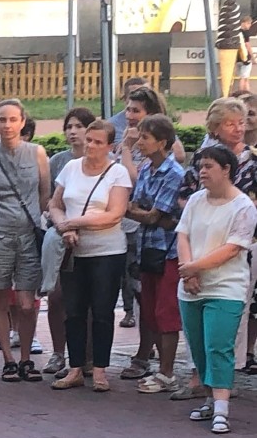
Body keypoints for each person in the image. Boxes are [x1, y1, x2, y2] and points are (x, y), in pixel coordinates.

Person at [177, 96, 257, 398]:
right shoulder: (203, 157)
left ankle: (226, 376)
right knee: (197, 319)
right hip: (198, 241)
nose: (239, 128)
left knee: (234, 309)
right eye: (230, 123)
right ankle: (200, 376)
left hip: (239, 242)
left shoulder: (253, 160)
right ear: (215, 126)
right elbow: (184, 196)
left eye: (242, 122)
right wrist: (190, 270)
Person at [49, 120, 133, 393]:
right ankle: (75, 368)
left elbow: (114, 214)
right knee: (73, 310)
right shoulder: (71, 167)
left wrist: (75, 224)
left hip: (106, 252)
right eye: (88, 140)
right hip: (74, 251)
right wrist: (64, 226)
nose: (91, 146)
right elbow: (55, 204)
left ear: (110, 146)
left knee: (102, 311)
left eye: (98, 142)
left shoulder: (117, 173)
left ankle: (99, 369)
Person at [0, 99, 50, 383]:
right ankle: (8, 359)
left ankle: (26, 358)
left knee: (26, 301)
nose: (7, 125)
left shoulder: (37, 153)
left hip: (29, 235)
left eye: (12, 119)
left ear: (22, 122)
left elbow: (45, 194)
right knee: (0, 296)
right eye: (2, 120)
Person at [123, 115, 185, 394]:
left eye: (146, 137)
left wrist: (147, 215)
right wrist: (147, 215)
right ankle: (162, 368)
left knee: (166, 310)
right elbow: (136, 208)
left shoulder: (174, 174)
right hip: (149, 248)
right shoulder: (146, 168)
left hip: (169, 251)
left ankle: (167, 372)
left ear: (162, 142)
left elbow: (152, 215)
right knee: (149, 310)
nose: (140, 142)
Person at [43, 107, 96, 375]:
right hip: (61, 235)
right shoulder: (58, 161)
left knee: (86, 300)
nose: (73, 131)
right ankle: (57, 352)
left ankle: (86, 355)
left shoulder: (102, 162)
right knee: (57, 296)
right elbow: (51, 200)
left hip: (93, 237)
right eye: (69, 126)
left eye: (79, 126)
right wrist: (63, 226)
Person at [110, 77, 148, 147]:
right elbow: (118, 149)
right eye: (135, 94)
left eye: (145, 94)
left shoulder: (161, 124)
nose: (139, 97)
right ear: (125, 99)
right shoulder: (113, 125)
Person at [236, 16, 253, 93]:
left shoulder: (236, 32)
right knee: (244, 78)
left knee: (245, 77)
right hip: (245, 57)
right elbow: (247, 45)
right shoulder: (245, 33)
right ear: (243, 23)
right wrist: (252, 57)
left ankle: (247, 93)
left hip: (238, 58)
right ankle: (242, 95)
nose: (249, 25)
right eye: (248, 23)